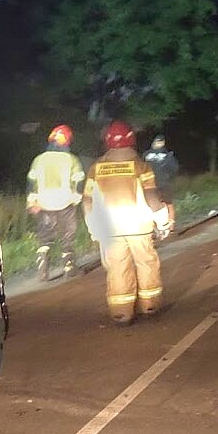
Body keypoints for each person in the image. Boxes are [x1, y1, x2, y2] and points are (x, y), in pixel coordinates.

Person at [82, 120, 172, 325]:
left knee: (117, 268)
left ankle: (121, 312)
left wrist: (93, 227)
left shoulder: (96, 168)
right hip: (138, 225)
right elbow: (152, 197)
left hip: (110, 229)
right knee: (146, 263)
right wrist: (163, 222)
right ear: (132, 140)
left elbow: (87, 200)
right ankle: (149, 305)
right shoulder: (140, 166)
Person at [26, 124, 85, 281]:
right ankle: (69, 269)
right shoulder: (72, 159)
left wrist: (32, 203)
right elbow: (79, 180)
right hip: (65, 203)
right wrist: (77, 199)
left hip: (44, 204)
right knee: (67, 237)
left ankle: (42, 272)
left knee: (44, 238)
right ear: (67, 141)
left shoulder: (39, 160)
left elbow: (31, 182)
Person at [144, 134, 179, 226]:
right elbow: (174, 169)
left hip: (150, 185)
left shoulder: (146, 155)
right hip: (162, 183)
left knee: (152, 205)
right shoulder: (168, 155)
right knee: (168, 204)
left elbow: (140, 168)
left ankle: (159, 225)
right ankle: (169, 225)